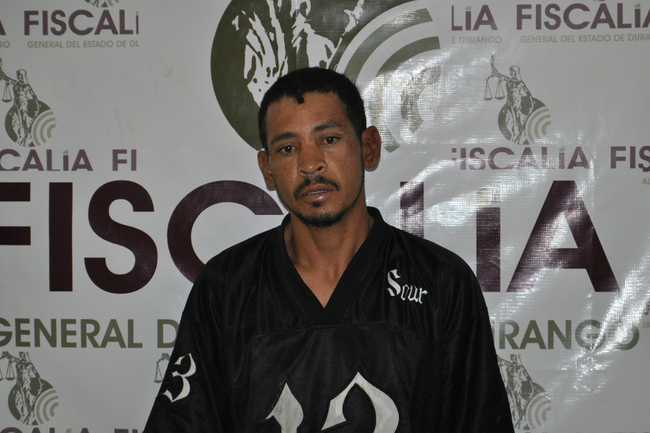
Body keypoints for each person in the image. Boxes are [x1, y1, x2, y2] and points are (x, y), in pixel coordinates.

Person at [144, 67, 514, 432]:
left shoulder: (441, 282)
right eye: (288, 148)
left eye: (329, 139)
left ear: (369, 147)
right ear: (268, 169)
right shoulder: (225, 287)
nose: (309, 164)